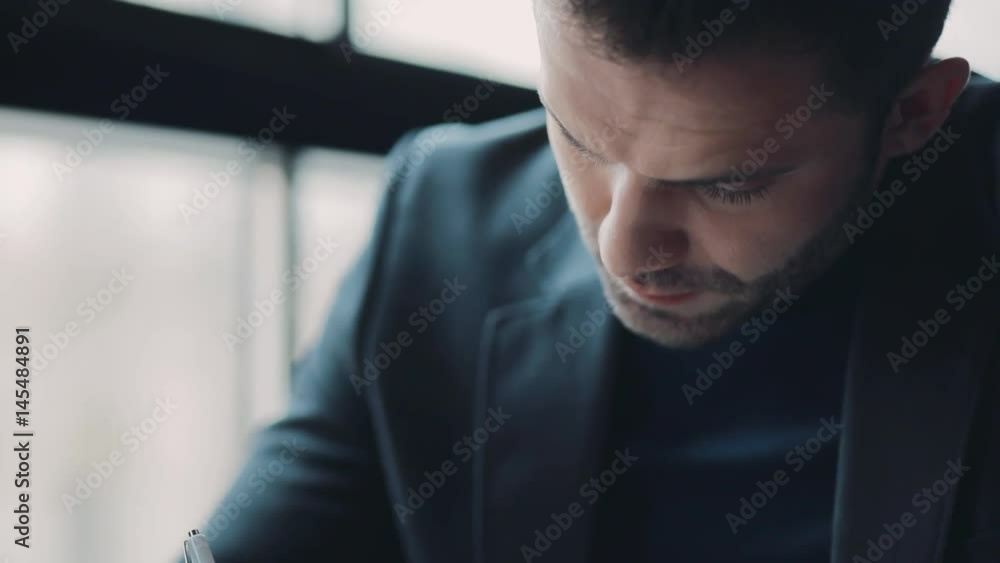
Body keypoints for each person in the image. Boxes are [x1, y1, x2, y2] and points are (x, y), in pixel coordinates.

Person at [192, 1, 1000, 561]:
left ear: (914, 114)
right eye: (577, 139)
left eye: (727, 184)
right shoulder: (443, 223)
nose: (622, 247)